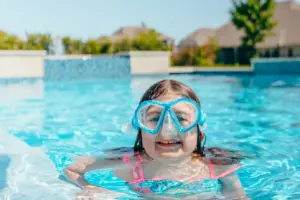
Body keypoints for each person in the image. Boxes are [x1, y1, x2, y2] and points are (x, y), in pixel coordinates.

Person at [64, 79, 249, 199]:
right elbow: (72, 168)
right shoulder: (130, 165)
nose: (167, 128)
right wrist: (89, 187)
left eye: (181, 118)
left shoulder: (216, 165)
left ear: (199, 132)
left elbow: (237, 196)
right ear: (140, 130)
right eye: (154, 118)